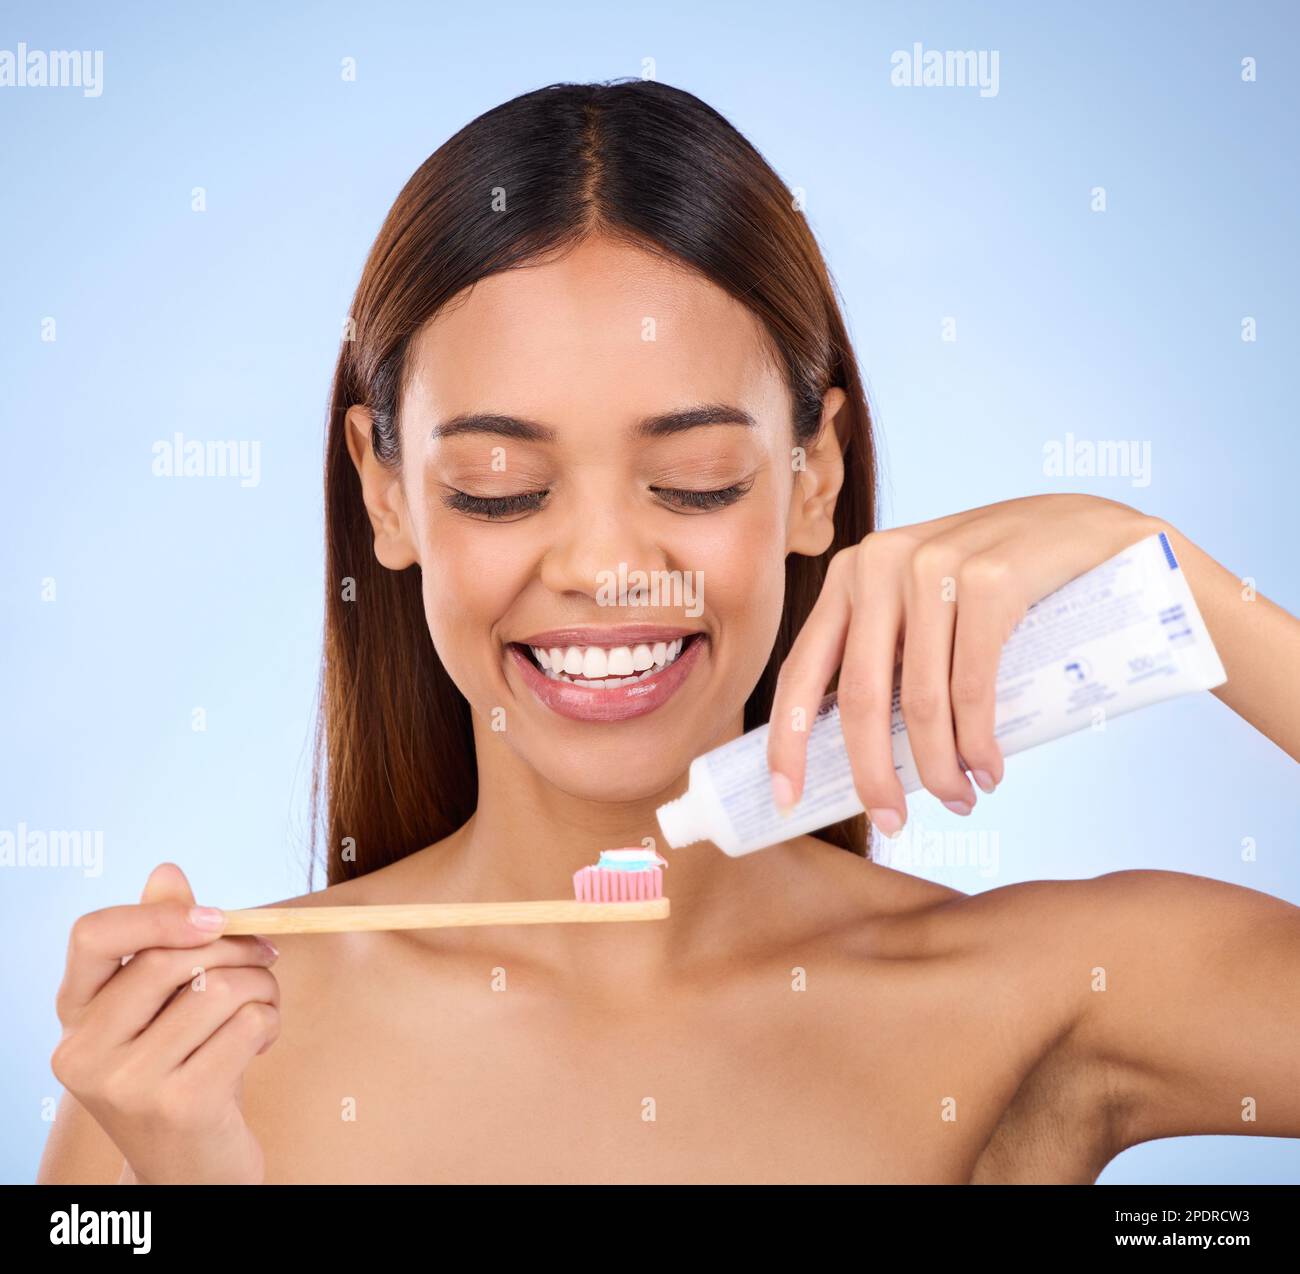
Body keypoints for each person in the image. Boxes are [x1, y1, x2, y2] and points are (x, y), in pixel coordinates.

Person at [38, 80, 1300, 1185]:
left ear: (815, 477)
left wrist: (1158, 571)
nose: (604, 571)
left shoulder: (1047, 997)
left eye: (695, 478)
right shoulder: (187, 1073)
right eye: (497, 484)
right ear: (385, 490)